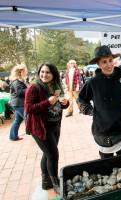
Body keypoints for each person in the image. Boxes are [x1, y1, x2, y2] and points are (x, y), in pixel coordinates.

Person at [78, 45, 121, 159]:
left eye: (110, 60)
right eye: (104, 62)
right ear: (98, 64)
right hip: (102, 131)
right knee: (106, 165)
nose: (109, 64)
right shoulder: (92, 82)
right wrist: (91, 111)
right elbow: (81, 99)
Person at [25, 62, 69, 194]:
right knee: (53, 155)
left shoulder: (56, 86)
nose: (44, 75)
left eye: (48, 72)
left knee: (47, 153)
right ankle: (55, 183)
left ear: (54, 74)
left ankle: (46, 182)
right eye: (42, 72)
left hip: (55, 125)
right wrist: (47, 102)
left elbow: (58, 106)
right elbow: (28, 108)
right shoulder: (34, 88)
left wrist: (65, 103)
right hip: (40, 127)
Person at [9, 64, 28, 141]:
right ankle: (35, 135)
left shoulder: (17, 81)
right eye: (25, 70)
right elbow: (20, 92)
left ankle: (13, 136)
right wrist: (30, 89)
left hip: (17, 103)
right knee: (28, 118)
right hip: (18, 103)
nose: (26, 72)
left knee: (18, 120)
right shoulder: (16, 81)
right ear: (21, 72)